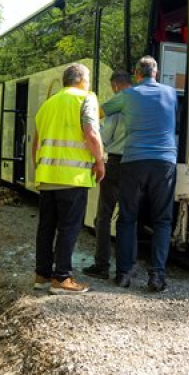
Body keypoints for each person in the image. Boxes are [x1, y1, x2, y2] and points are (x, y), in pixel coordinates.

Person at [102, 55, 177, 292]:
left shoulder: (127, 95)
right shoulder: (171, 93)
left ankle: (124, 274)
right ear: (156, 73)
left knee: (127, 217)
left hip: (133, 161)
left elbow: (102, 111)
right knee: (162, 220)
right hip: (164, 162)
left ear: (136, 75)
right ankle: (157, 276)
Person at [32, 63, 106, 295]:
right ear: (82, 80)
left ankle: (42, 275)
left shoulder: (47, 105)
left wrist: (42, 168)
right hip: (72, 177)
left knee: (46, 227)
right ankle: (62, 278)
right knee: (69, 227)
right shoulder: (86, 98)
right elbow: (91, 132)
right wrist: (100, 160)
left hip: (47, 176)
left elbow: (35, 144)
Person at [82, 70, 132, 280]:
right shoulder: (142, 107)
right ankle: (126, 270)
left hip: (116, 163)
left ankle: (102, 265)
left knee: (103, 217)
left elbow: (102, 137)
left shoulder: (116, 109)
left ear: (116, 86)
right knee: (128, 218)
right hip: (137, 166)